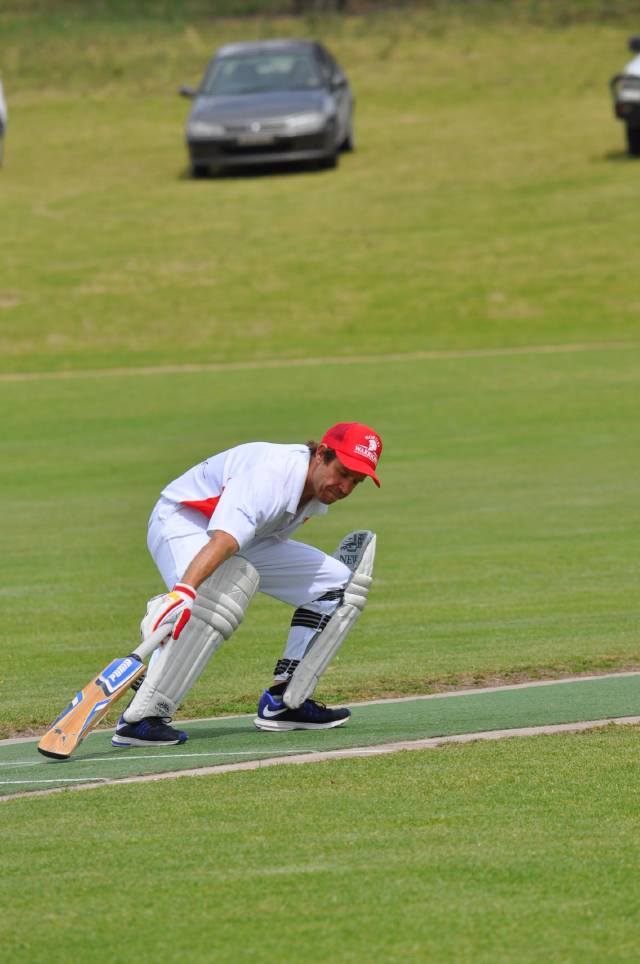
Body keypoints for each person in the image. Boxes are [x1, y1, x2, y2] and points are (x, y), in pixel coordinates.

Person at [112, 421, 383, 747]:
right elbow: (226, 537)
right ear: (322, 454)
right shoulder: (271, 475)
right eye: (343, 472)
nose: (345, 487)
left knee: (338, 587)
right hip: (186, 519)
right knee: (208, 600)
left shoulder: (315, 489)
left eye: (357, 481)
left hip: (248, 537)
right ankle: (141, 717)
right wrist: (184, 592)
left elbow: (246, 536)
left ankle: (286, 701)